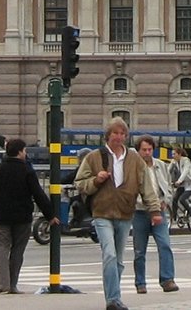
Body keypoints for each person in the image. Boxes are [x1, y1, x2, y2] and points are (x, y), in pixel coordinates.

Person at [74, 117, 162, 310]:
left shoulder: (134, 159)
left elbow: (146, 186)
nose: (119, 137)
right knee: (110, 255)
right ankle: (113, 299)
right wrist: (96, 181)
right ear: (108, 135)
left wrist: (154, 210)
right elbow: (80, 183)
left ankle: (113, 297)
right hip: (102, 212)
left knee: (119, 260)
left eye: (123, 134)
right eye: (115, 133)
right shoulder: (95, 157)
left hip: (125, 213)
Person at [0, 137, 56, 295]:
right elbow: (38, 194)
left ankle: (1, 285)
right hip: (22, 217)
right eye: (25, 150)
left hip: (2, 216)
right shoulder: (27, 171)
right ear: (20, 152)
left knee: (2, 249)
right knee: (18, 251)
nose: (26, 153)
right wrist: (50, 215)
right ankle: (12, 285)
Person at [132, 136, 179, 294]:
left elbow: (168, 186)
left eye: (150, 150)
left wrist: (166, 200)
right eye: (144, 150)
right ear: (138, 151)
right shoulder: (134, 167)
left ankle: (167, 280)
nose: (147, 153)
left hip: (159, 211)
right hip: (140, 212)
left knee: (164, 244)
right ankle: (140, 283)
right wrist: (146, 205)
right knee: (139, 250)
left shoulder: (160, 165)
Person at [169, 144, 191, 222]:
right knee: (174, 199)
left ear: (179, 154)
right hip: (183, 183)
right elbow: (168, 170)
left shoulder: (186, 160)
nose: (173, 156)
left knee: (182, 199)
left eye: (174, 154)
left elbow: (185, 172)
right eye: (172, 154)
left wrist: (179, 181)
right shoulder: (174, 161)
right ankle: (174, 217)